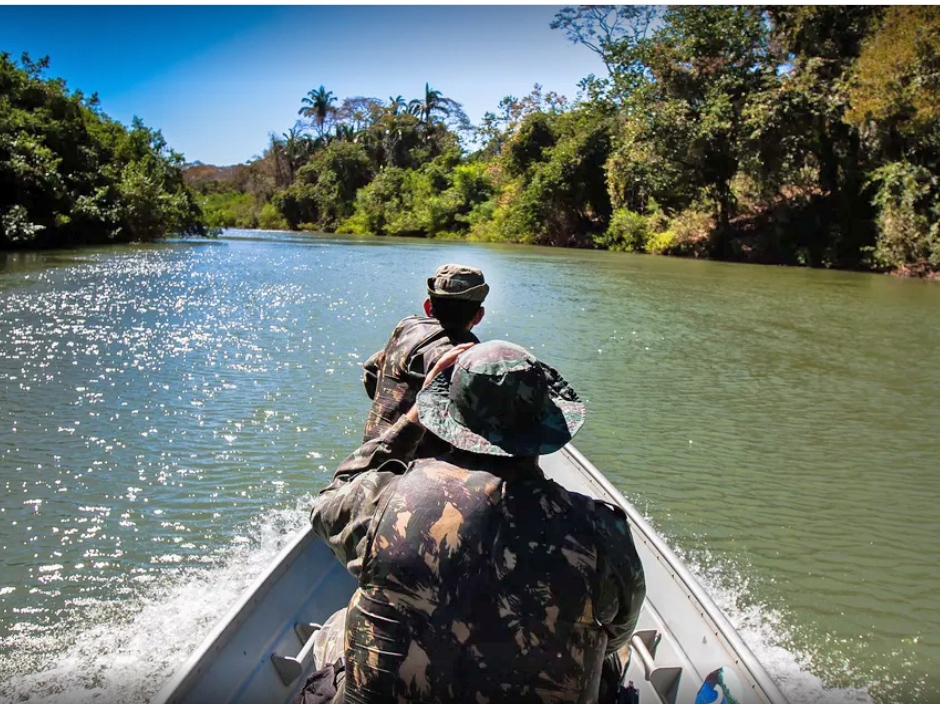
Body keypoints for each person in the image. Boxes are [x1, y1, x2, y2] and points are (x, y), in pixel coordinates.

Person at [309, 340, 646, 704]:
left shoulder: (385, 502)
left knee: (336, 628)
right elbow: (618, 633)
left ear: (445, 418)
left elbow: (326, 505)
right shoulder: (600, 532)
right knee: (614, 658)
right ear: (543, 425)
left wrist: (409, 422)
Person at [361, 263, 488, 458]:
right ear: (479, 315)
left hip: (367, 456)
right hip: (416, 472)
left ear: (428, 307)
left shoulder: (408, 326)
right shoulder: (463, 357)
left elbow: (371, 372)